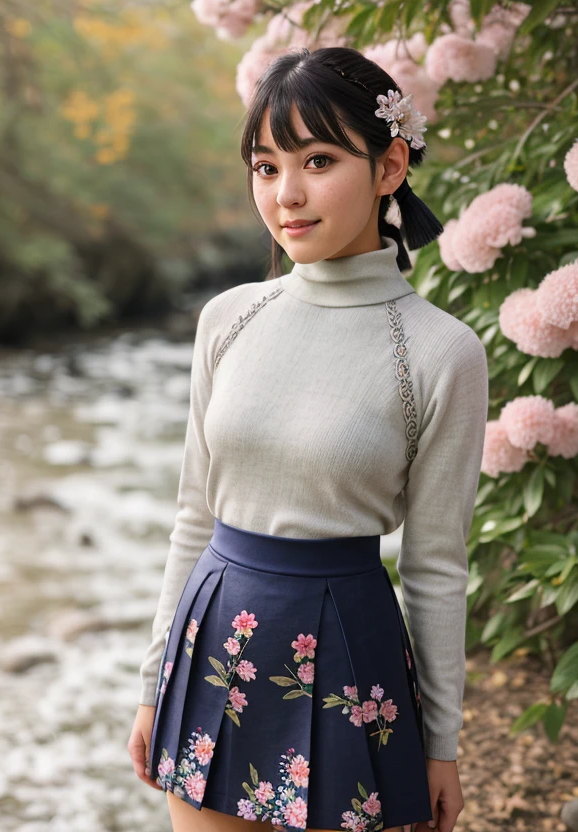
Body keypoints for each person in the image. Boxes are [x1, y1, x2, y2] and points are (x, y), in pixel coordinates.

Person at [128, 45, 489, 832]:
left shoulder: (438, 350)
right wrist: (156, 679)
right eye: (265, 167)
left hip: (347, 656)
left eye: (318, 160)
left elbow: (434, 565)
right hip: (214, 641)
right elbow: (193, 512)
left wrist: (443, 744)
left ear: (390, 165)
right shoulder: (228, 320)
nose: (286, 194)